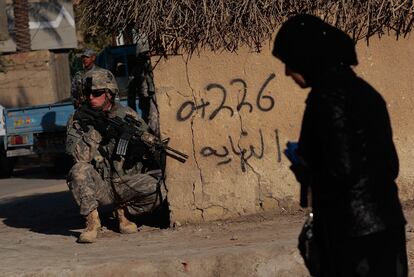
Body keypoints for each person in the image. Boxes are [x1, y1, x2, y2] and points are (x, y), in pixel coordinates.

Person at [273, 14, 408, 276]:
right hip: (388, 224)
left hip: (353, 236)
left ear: (307, 57)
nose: (287, 71)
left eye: (289, 61)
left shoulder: (326, 99)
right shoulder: (366, 93)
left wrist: (305, 167)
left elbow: (342, 170)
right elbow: (390, 165)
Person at [66, 69, 167, 243]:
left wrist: (145, 144)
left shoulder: (126, 115)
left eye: (97, 93)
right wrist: (97, 131)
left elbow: (150, 146)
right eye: (88, 93)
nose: (91, 97)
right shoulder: (78, 119)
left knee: (161, 191)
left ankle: (124, 213)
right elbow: (79, 157)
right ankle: (92, 222)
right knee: (78, 171)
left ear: (109, 93)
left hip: (126, 181)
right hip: (101, 186)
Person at [127, 42, 159, 135]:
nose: (148, 56)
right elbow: (131, 95)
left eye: (149, 53)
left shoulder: (156, 67)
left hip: (158, 103)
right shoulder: (136, 71)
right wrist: (133, 114)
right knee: (150, 131)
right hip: (146, 106)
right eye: (145, 54)